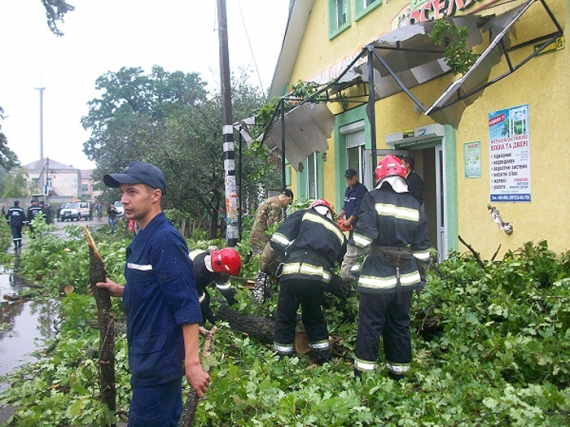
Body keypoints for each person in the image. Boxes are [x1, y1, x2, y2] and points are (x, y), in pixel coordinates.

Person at [95, 161, 209, 426]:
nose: (123, 199)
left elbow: (186, 303)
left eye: (132, 192)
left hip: (159, 361)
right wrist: (122, 290)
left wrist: (192, 363)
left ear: (155, 195)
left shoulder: (165, 240)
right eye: (122, 192)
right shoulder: (145, 236)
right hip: (146, 354)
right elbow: (157, 289)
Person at [341, 154, 431, 381]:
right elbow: (422, 249)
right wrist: (421, 276)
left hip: (377, 278)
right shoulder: (414, 204)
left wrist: (348, 264)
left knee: (370, 326)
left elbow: (363, 236)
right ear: (403, 176)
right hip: (406, 279)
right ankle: (399, 376)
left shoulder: (372, 198)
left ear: (379, 177)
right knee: (400, 325)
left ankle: (363, 378)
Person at [270, 199, 347, 365]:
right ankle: (323, 358)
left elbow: (276, 240)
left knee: (285, 316)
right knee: (313, 316)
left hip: (293, 273)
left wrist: (293, 248)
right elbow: (345, 263)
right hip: (318, 279)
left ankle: (282, 359)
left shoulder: (303, 215)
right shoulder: (338, 232)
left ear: (313, 208)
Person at [250, 189, 294, 303]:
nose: (286, 206)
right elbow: (272, 228)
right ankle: (259, 298)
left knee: (264, 267)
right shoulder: (276, 206)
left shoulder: (269, 201)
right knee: (263, 267)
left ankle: (265, 296)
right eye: (288, 203)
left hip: (256, 238)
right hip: (262, 241)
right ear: (288, 199)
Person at [189, 247, 241, 324]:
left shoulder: (219, 266)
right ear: (221, 269)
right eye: (226, 274)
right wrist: (212, 318)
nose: (227, 275)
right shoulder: (198, 273)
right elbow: (199, 299)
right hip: (182, 277)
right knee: (202, 302)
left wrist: (233, 302)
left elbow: (224, 287)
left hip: (197, 276)